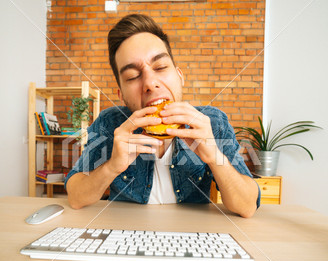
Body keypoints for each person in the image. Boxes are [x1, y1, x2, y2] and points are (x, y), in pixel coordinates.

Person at [65, 14, 260, 217]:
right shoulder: (109, 123)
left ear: (180, 76)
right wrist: (111, 166)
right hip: (125, 236)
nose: (150, 83)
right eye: (132, 76)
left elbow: (247, 207)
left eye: (160, 67)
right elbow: (76, 198)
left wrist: (213, 156)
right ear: (121, 95)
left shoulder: (212, 122)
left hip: (191, 238)